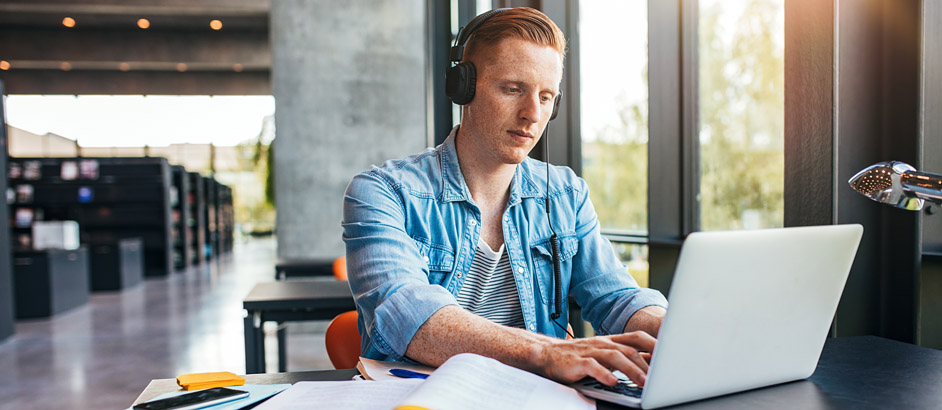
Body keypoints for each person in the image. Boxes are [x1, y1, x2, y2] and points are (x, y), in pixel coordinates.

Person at [342, 7, 667, 387]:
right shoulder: (383, 192)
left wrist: (670, 330)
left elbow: (616, 298)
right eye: (513, 89)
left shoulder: (566, 194)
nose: (532, 114)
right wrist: (545, 353)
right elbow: (407, 316)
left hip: (534, 397)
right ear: (462, 87)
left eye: (546, 97)